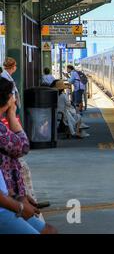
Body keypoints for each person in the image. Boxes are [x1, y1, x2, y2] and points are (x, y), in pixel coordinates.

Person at [0, 79, 57, 234]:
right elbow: (22, 146)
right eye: (12, 95)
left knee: (49, 230)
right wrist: (19, 206)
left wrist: (17, 196)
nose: (15, 99)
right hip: (4, 209)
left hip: (9, 198)